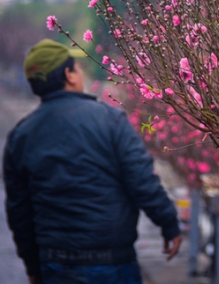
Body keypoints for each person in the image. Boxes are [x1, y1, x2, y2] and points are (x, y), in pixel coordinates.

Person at [3, 39, 182, 284]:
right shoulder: (110, 120)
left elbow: (19, 211)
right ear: (69, 74)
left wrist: (33, 266)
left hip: (55, 263)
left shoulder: (21, 136)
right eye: (76, 68)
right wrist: (168, 224)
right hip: (112, 262)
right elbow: (141, 181)